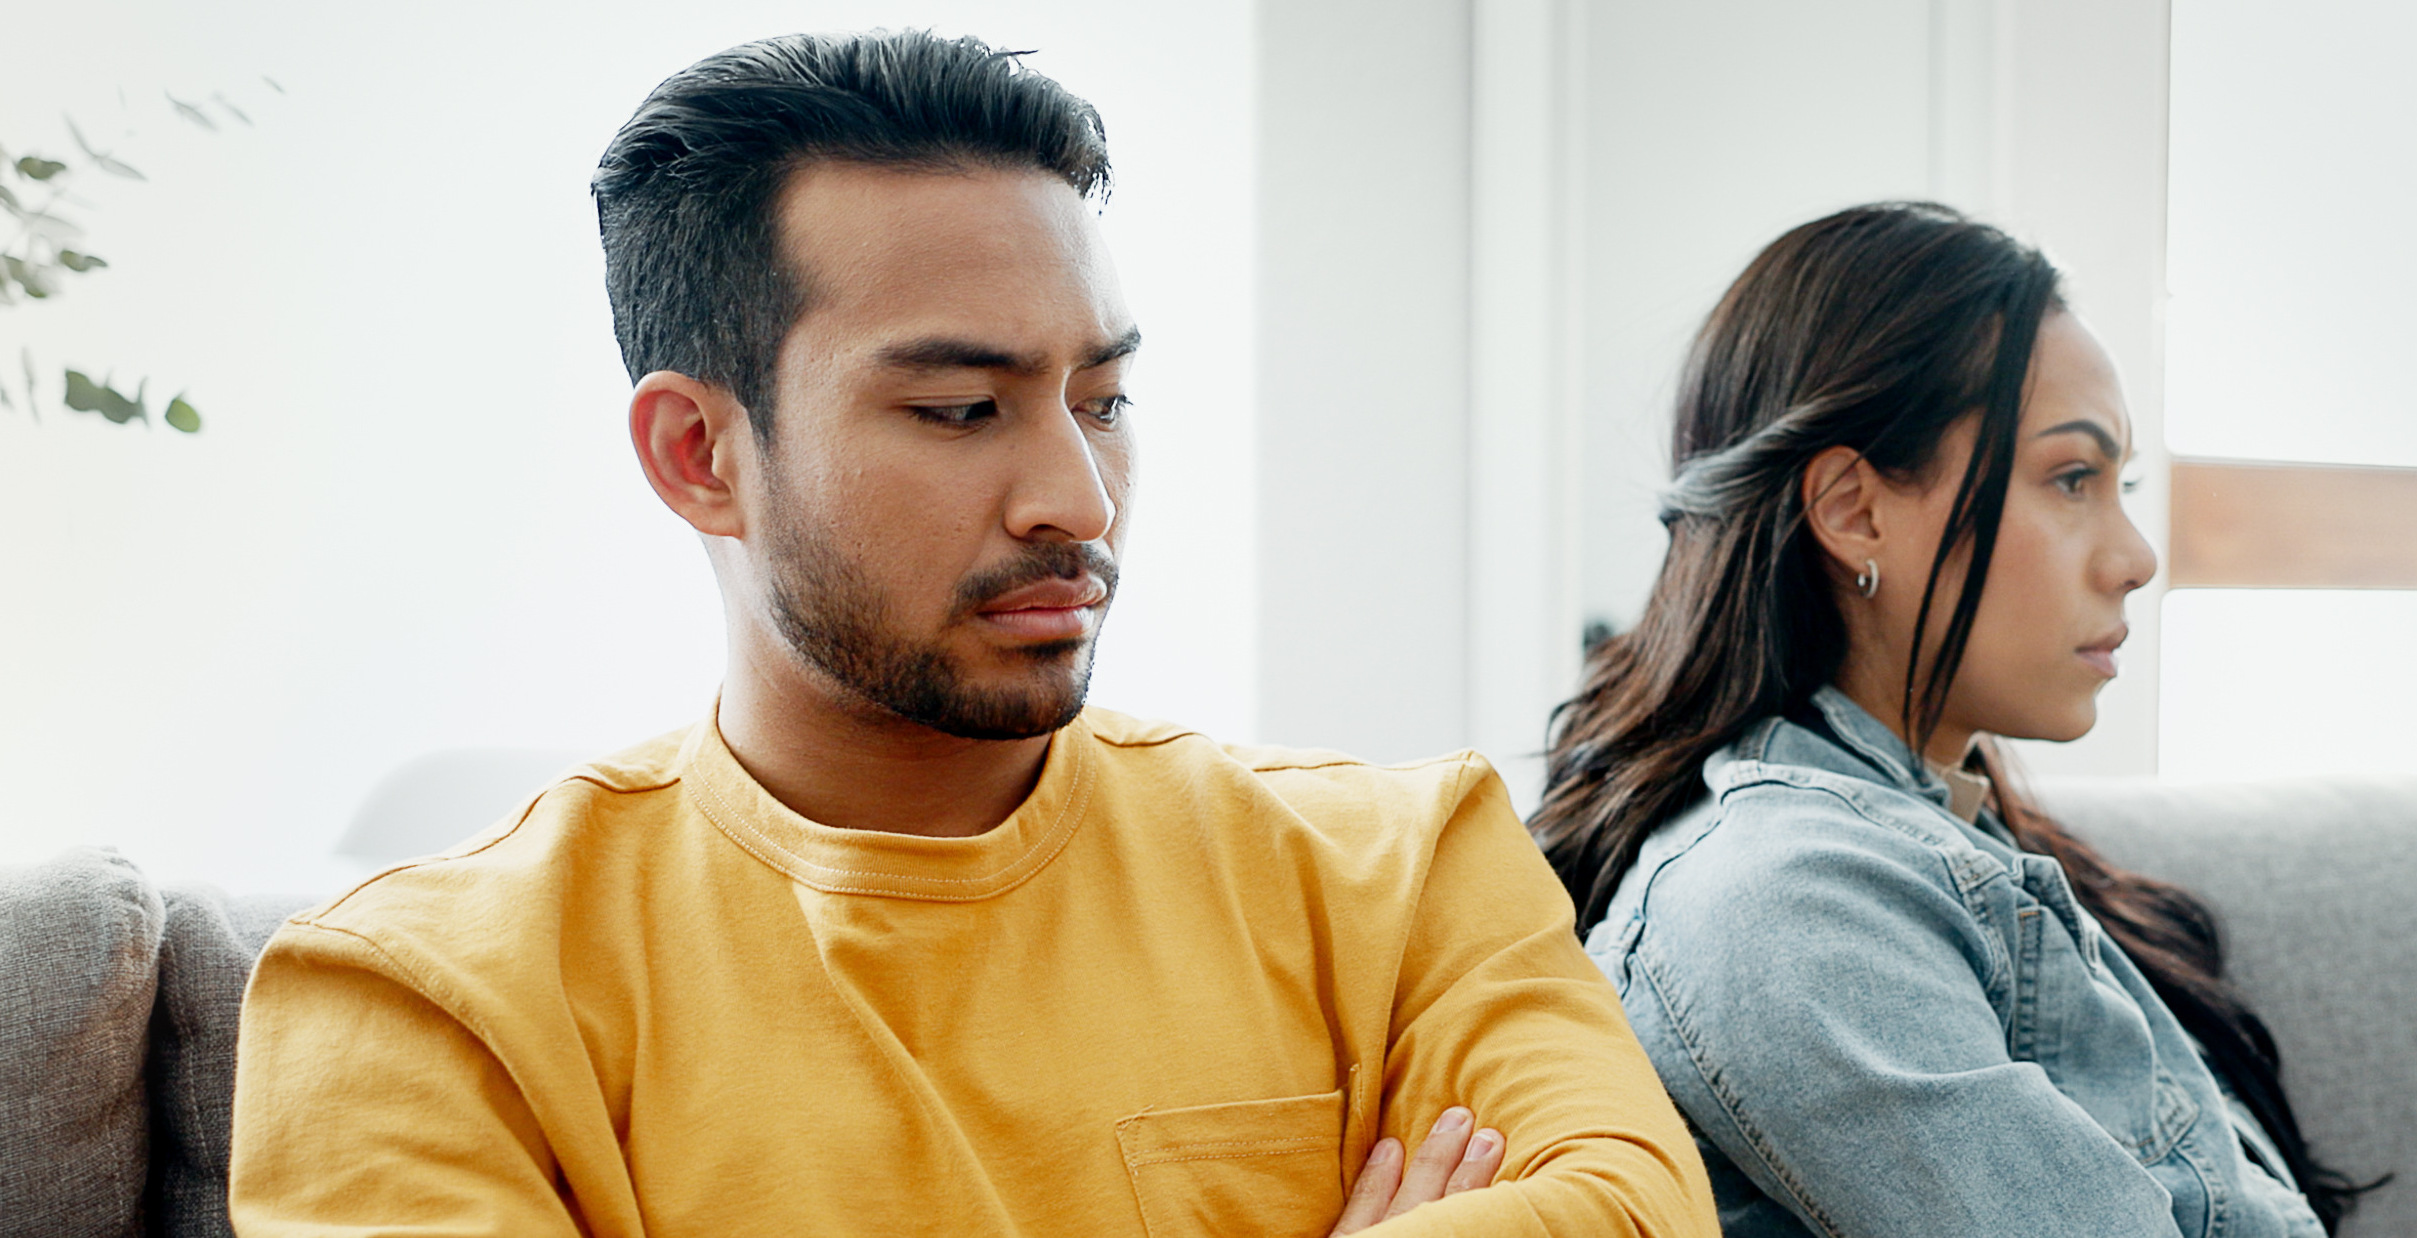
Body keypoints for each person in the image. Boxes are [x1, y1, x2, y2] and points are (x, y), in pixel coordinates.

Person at [228, 31, 1712, 1238]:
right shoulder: (421, 998)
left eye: (1104, 398)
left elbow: (1633, 1204)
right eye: (957, 409)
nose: (1077, 497)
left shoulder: (1398, 866)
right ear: (698, 452)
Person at [1531, 203, 2375, 1237]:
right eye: (2071, 478)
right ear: (1852, 509)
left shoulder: (1936, 836)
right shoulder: (1784, 903)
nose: (2133, 557)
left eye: (2120, 486)